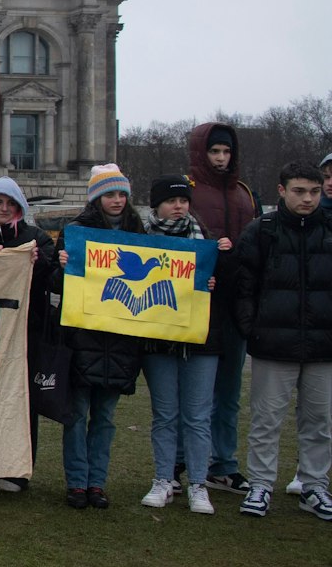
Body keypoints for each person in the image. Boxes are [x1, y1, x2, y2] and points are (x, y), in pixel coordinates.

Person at [233, 161, 332, 521]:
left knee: (319, 421)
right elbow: (244, 286)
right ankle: (260, 484)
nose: (308, 199)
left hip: (324, 344)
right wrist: (252, 327)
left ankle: (314, 486)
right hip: (273, 342)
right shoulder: (262, 231)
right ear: (282, 191)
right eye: (300, 191)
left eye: (315, 192)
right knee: (266, 419)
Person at [130, 175, 232, 515]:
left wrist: (219, 274)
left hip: (201, 339)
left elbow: (235, 285)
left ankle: (199, 485)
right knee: (165, 414)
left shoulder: (207, 243)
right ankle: (163, 479)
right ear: (156, 204)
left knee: (198, 415)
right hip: (158, 340)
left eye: (184, 201)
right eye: (172, 201)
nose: (179, 206)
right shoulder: (140, 241)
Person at [54, 164, 146, 511]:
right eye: (110, 194)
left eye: (122, 194)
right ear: (97, 197)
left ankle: (97, 482)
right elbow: (56, 286)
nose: (117, 200)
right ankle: (77, 482)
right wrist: (60, 267)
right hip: (82, 337)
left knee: (105, 416)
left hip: (122, 338)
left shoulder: (141, 232)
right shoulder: (75, 232)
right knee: (78, 413)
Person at [182, 122, 258, 494]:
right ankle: (181, 462)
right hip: (196, 304)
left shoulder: (244, 194)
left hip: (234, 304)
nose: (221, 158)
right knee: (191, 392)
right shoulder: (189, 192)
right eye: (215, 152)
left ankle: (223, 463)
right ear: (202, 153)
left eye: (226, 152)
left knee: (228, 393)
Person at [0, 175, 60, 493]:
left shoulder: (36, 239)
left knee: (21, 400)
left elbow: (52, 281)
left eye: (10, 203)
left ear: (19, 206)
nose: (4, 209)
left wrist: (36, 263)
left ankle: (16, 470)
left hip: (26, 331)